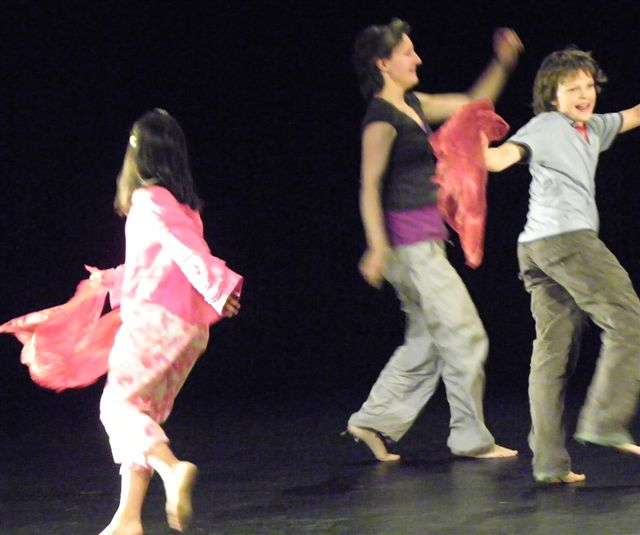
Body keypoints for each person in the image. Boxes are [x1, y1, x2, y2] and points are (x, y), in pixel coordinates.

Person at [346, 18, 523, 462]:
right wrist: (376, 246)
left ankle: (373, 420)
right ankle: (470, 438)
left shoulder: (413, 103)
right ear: (382, 63)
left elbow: (470, 103)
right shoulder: (381, 118)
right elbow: (369, 185)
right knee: (465, 334)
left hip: (424, 242)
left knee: (427, 339)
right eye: (407, 52)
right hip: (410, 247)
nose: (417, 58)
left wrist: (502, 62)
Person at [483, 47, 640, 483]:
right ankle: (605, 420)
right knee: (629, 319)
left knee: (553, 353)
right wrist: (474, 148)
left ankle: (550, 464)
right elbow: (501, 158)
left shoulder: (594, 127)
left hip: (535, 248)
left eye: (589, 86)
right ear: (552, 97)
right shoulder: (548, 125)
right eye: (573, 89)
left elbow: (632, 115)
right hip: (566, 241)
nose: (584, 95)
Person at [95, 109, 243, 534]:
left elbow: (185, 250)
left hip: (156, 323)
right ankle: (128, 518)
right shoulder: (182, 207)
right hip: (188, 329)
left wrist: (218, 285)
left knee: (117, 408)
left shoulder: (149, 201)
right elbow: (161, 264)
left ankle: (172, 469)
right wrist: (113, 279)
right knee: (142, 417)